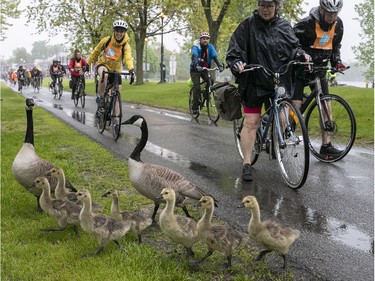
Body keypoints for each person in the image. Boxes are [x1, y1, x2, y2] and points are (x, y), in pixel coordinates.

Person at [226, 0, 310, 181]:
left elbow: (294, 47)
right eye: (262, 5)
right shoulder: (247, 26)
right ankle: (247, 162)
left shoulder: (285, 26)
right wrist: (237, 62)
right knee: (251, 123)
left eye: (269, 6)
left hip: (279, 79)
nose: (265, 9)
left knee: (283, 117)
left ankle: (274, 132)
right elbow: (235, 50)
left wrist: (301, 54)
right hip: (255, 80)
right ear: (258, 6)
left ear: (275, 7)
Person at [293, 0, 345, 157]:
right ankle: (282, 135)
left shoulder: (339, 24)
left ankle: (326, 145)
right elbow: (291, 42)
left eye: (335, 13)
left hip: (320, 69)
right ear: (322, 10)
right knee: (296, 107)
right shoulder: (306, 23)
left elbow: (335, 47)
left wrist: (337, 62)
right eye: (329, 13)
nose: (332, 17)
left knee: (326, 105)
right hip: (301, 70)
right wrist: (302, 54)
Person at [87, 19, 135, 118]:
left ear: (124, 32)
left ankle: (116, 120)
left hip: (116, 70)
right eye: (117, 30)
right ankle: (101, 98)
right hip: (103, 64)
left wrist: (131, 70)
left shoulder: (125, 45)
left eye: (121, 31)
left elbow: (128, 57)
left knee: (117, 96)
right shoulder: (106, 40)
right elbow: (95, 51)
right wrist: (87, 64)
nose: (119, 33)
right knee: (105, 74)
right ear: (114, 31)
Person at [190, 32, 223, 114]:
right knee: (197, 87)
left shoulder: (210, 47)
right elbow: (194, 56)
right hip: (195, 70)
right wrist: (197, 65)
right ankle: (194, 107)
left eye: (207, 39)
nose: (205, 40)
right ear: (200, 39)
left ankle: (205, 95)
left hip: (205, 69)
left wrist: (219, 65)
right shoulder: (196, 46)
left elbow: (215, 57)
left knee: (211, 80)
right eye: (203, 38)